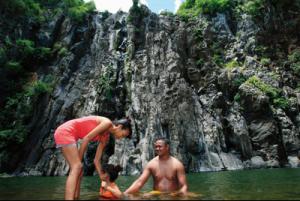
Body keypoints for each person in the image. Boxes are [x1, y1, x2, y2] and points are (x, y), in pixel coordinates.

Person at [53, 115, 132, 200]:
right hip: (66, 131)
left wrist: (101, 174)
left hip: (66, 134)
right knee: (77, 167)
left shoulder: (105, 136)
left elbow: (96, 160)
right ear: (119, 127)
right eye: (123, 134)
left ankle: (76, 198)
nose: (121, 138)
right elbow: (86, 138)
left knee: (79, 170)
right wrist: (79, 160)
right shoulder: (107, 123)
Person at [124, 137, 188, 196]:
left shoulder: (177, 164)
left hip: (173, 195)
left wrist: (180, 194)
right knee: (142, 196)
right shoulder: (151, 164)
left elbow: (183, 186)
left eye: (160, 147)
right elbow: (139, 182)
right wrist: (125, 194)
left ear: (167, 147)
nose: (157, 149)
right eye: (156, 147)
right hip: (157, 195)